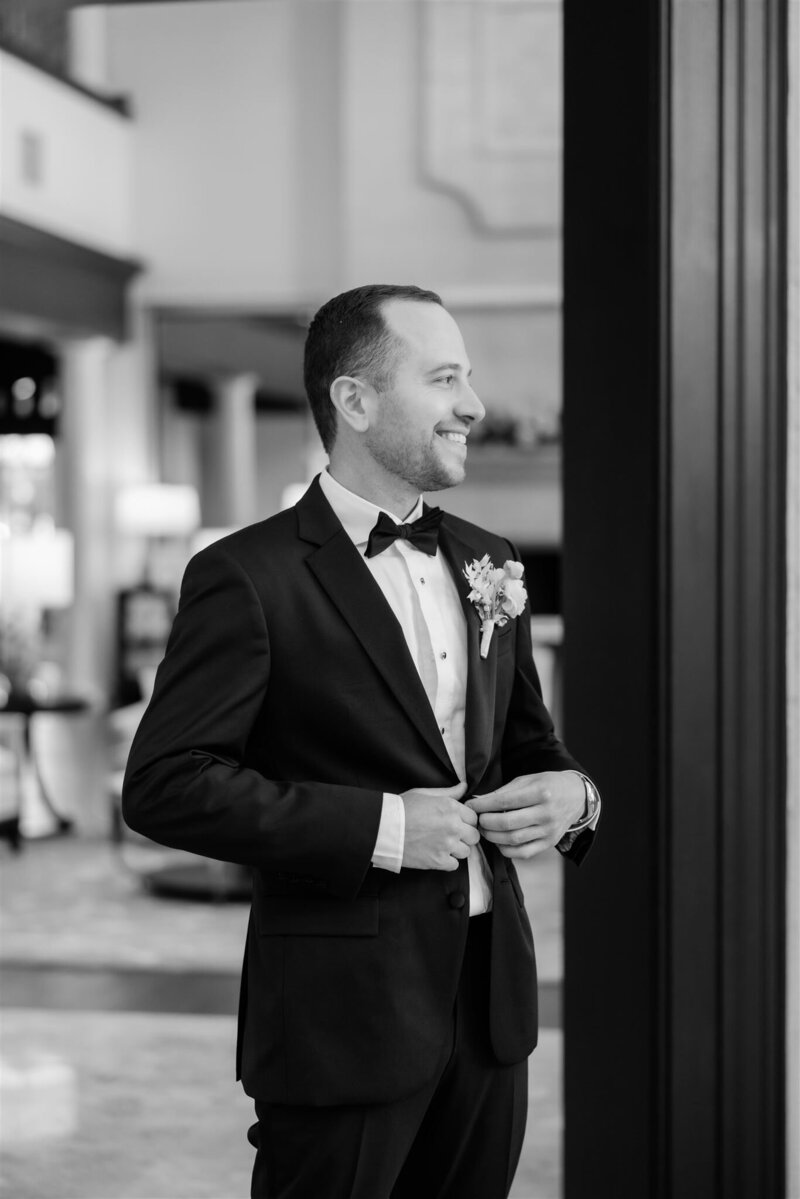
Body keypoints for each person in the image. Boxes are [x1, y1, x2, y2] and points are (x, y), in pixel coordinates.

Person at [122, 283, 600, 1199]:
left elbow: (536, 748)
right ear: (356, 400)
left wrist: (576, 798)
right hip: (341, 1017)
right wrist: (386, 827)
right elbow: (166, 782)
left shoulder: (490, 557)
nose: (474, 405)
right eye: (446, 378)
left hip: (489, 1009)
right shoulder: (245, 575)